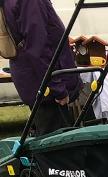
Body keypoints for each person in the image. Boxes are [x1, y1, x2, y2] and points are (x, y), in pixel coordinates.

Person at [1, 0, 80, 136]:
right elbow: (39, 48)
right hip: (47, 89)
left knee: (48, 140)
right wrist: (58, 89)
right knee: (57, 145)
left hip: (37, 82)